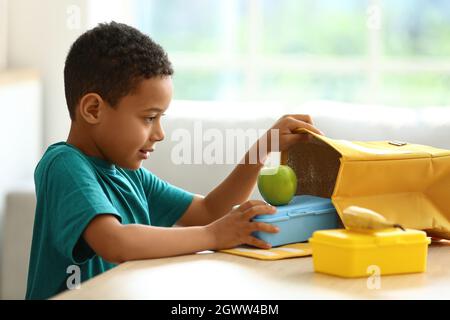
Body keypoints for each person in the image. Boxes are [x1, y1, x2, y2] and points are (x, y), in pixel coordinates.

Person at [25, 21, 324, 299]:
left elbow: (209, 210)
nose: (160, 133)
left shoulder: (130, 176)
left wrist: (264, 148)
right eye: (149, 118)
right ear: (93, 109)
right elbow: (115, 242)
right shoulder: (64, 164)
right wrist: (213, 235)